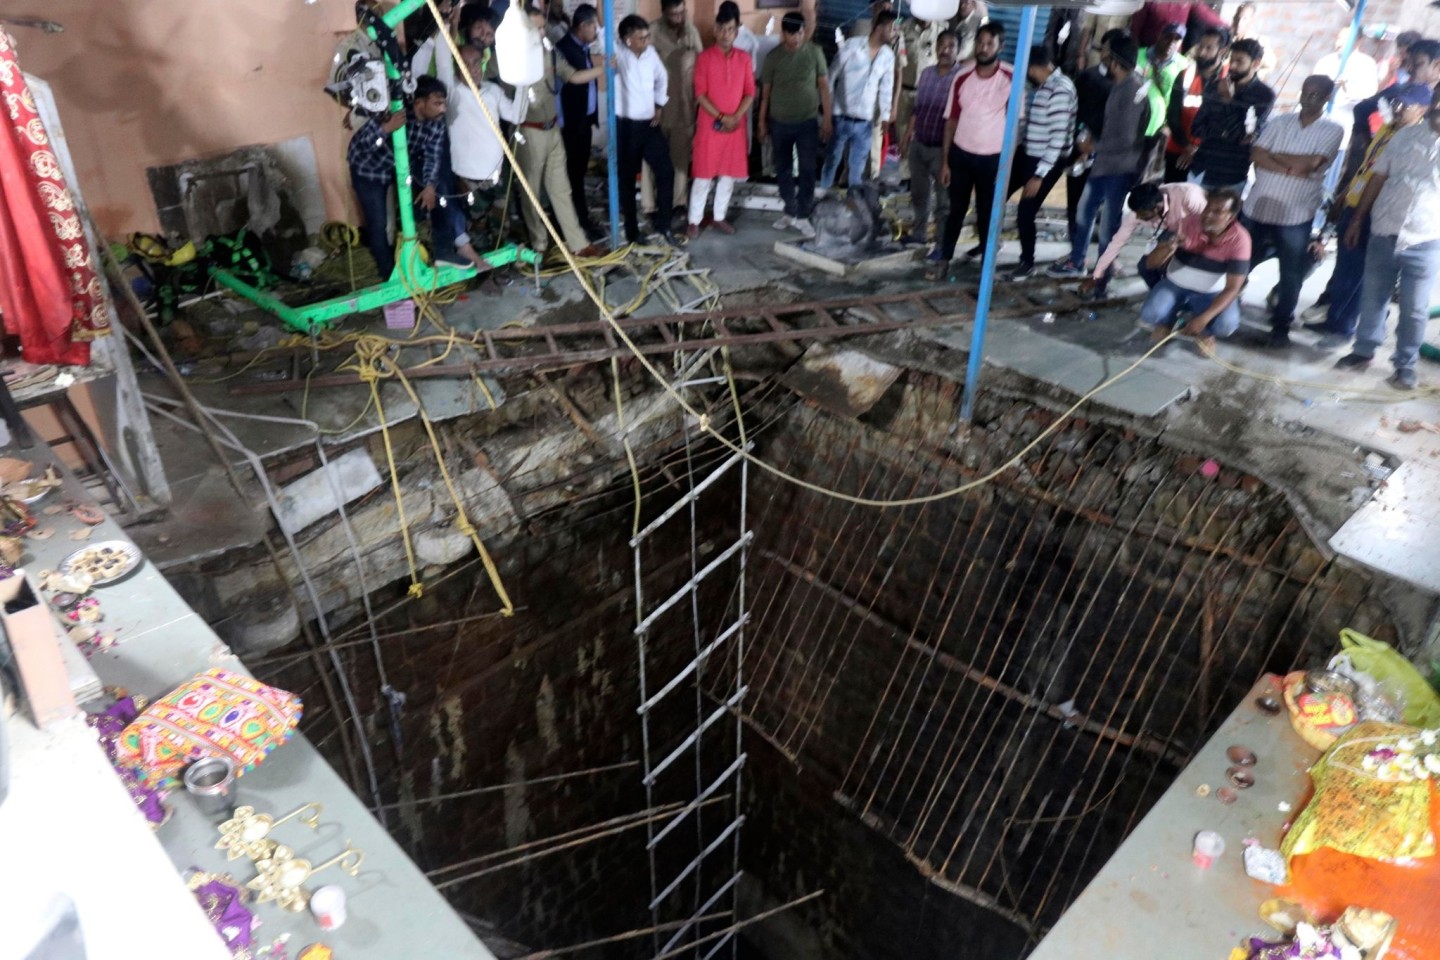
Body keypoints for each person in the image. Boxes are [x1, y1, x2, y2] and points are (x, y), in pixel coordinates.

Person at [1305, 83, 1433, 348]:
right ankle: (1335, 320)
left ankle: (1342, 329)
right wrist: (1346, 194)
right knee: (1344, 270)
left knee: (1358, 276)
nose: (1397, 110)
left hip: (1376, 212)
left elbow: (1385, 181)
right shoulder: (1389, 129)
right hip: (1356, 203)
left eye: (1404, 106)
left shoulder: (1414, 140)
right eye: (1395, 103)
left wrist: (1361, 214)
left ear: (1422, 110)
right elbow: (1367, 168)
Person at [1334, 93, 1440, 391]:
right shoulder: (1405, 136)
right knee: (1373, 295)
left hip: (1426, 238)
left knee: (1416, 308)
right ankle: (1363, 351)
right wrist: (1357, 219)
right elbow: (1377, 178)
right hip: (1385, 228)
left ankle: (1405, 365)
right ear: (1433, 102)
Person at [346, 76, 490, 278]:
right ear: (419, 103)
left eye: (443, 103)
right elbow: (360, 145)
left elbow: (433, 156)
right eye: (437, 104)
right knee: (379, 225)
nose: (442, 110)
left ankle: (444, 252)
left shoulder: (436, 124)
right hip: (370, 170)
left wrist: (430, 186)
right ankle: (390, 277)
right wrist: (386, 128)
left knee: (440, 192)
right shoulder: (392, 111)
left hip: (400, 168)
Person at [1240, 75, 1344, 348]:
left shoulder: (1333, 129)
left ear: (1326, 98)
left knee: (1291, 272)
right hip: (1257, 206)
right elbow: (1256, 155)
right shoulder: (1279, 121)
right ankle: (1224, 307)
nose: (1307, 98)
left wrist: (1276, 159)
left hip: (1294, 213)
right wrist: (1290, 168)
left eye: (1315, 95)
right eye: (1305, 92)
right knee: (1240, 262)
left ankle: (1281, 324)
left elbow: (1310, 165)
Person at [1047, 34, 1150, 280]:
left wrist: (1093, 146)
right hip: (1103, 165)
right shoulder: (1119, 84)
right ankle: (1077, 260)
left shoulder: (1133, 90)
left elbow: (1126, 138)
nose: (1101, 54)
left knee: (1107, 226)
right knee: (1084, 212)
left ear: (1114, 59)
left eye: (1105, 51)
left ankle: (1102, 274)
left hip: (1119, 168)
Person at [514, 5, 604, 257]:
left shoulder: (550, 53)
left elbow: (573, 76)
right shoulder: (511, 58)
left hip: (552, 130)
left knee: (561, 188)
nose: (542, 31)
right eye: (536, 27)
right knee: (531, 192)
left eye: (543, 26)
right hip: (529, 133)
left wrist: (603, 68)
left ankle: (578, 244)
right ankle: (539, 244)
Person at [926, 21, 1010, 280]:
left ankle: (987, 267)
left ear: (1000, 47)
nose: (984, 48)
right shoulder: (961, 76)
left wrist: (1007, 164)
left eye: (989, 44)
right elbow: (950, 119)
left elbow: (1015, 124)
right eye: (980, 43)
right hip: (961, 155)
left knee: (987, 213)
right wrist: (945, 161)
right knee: (955, 211)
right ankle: (944, 260)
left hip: (992, 159)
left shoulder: (1010, 78)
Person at [1140, 189, 1251, 350]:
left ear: (1230, 217)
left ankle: (1205, 332)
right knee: (1150, 314)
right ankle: (1166, 322)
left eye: (1217, 212)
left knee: (1226, 325)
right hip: (1174, 286)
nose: (1208, 215)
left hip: (1211, 294)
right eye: (1207, 208)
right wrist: (1167, 249)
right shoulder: (1185, 223)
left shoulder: (1240, 240)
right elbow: (1150, 264)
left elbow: (1233, 288)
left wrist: (1204, 320)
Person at [1005, 46, 1076, 280]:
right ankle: (989, 244)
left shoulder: (1060, 90)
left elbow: (1057, 139)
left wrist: (1039, 175)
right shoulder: (1047, 86)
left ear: (1037, 68)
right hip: (1029, 154)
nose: (1028, 75)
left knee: (1026, 210)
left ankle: (1027, 262)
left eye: (1029, 70)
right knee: (998, 194)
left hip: (1044, 162)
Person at [758, 11, 831, 240]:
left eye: (799, 33)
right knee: (783, 169)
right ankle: (790, 210)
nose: (796, 39)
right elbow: (765, 94)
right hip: (779, 123)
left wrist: (827, 118)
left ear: (804, 31)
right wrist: (761, 122)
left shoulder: (815, 53)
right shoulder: (773, 57)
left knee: (808, 170)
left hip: (807, 122)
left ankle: (803, 214)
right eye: (791, 34)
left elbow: (824, 88)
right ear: (784, 34)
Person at [687, 4, 755, 237]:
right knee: (703, 175)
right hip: (710, 126)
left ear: (737, 32)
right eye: (722, 29)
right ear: (715, 31)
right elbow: (700, 94)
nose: (726, 34)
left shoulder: (744, 59)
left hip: (735, 126)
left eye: (731, 29)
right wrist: (721, 117)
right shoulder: (704, 58)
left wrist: (735, 117)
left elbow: (750, 92)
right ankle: (694, 220)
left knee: (727, 176)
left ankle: (719, 217)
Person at [613, 14, 679, 245]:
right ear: (627, 40)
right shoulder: (617, 55)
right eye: (642, 38)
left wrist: (659, 105)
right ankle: (632, 232)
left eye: (648, 36)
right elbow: (603, 32)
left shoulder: (650, 55)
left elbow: (662, 78)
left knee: (666, 171)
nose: (647, 41)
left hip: (649, 126)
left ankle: (664, 225)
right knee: (627, 181)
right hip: (626, 128)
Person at [1182, 38, 1275, 191]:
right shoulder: (1214, 86)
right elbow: (1197, 128)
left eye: (1239, 61)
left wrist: (1227, 101)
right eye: (1231, 59)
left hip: (1232, 176)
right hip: (1201, 168)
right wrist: (1226, 132)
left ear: (1255, 64)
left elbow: (1245, 136)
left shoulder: (1264, 95)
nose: (1232, 66)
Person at [1084, 181, 1208, 292]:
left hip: (1198, 230)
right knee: (1145, 267)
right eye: (1136, 213)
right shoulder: (1137, 213)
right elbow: (1116, 244)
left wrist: (1180, 250)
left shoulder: (1188, 196)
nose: (1138, 217)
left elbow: (1207, 226)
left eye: (1142, 214)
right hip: (1174, 229)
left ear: (1157, 208)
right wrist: (1096, 275)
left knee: (1173, 266)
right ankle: (1161, 295)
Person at [1346, 39, 1440, 183]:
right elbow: (1361, 109)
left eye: (1417, 64)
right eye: (1409, 63)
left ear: (1437, 66)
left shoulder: (1429, 98)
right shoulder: (1404, 91)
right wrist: (1367, 143)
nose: (1410, 69)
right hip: (1384, 166)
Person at [821, 11, 897, 190]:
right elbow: (831, 77)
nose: (895, 33)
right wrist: (827, 112)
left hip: (865, 122)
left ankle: (853, 204)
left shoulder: (888, 56)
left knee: (857, 168)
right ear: (879, 28)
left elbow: (886, 88)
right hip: (840, 117)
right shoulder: (851, 46)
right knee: (832, 161)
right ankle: (821, 197)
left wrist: (885, 115)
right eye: (892, 29)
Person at [644, 0, 703, 225]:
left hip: (685, 108)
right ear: (664, 13)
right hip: (655, 110)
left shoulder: (691, 32)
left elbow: (701, 68)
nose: (679, 18)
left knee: (680, 159)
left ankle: (679, 203)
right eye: (674, 14)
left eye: (682, 13)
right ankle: (650, 205)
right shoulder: (651, 32)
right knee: (651, 159)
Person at [899, 30, 961, 245]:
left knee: (943, 200)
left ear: (958, 50)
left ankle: (942, 244)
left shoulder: (960, 79)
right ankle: (919, 234)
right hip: (920, 143)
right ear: (935, 48)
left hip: (943, 150)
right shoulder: (925, 73)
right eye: (941, 45)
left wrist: (949, 157)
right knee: (919, 194)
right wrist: (908, 134)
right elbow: (918, 108)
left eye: (951, 46)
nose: (945, 50)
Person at [555, 5, 608, 240]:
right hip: (571, 126)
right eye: (594, 26)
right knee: (572, 176)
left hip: (583, 123)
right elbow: (566, 88)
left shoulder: (582, 48)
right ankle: (575, 225)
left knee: (577, 175)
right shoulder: (565, 49)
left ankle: (579, 221)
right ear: (583, 26)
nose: (597, 31)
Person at [1068, 28, 1122, 244]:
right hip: (1082, 147)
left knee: (1104, 202)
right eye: (1107, 49)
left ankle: (1099, 246)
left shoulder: (1128, 84)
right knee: (1076, 199)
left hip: (1109, 154)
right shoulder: (1087, 77)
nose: (1108, 55)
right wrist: (1082, 142)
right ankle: (1075, 245)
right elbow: (1076, 111)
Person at [1164, 26, 1226, 184]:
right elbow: (1172, 115)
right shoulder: (1185, 75)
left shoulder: (1228, 81)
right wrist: (1188, 147)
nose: (1202, 52)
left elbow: (1224, 123)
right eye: (1201, 46)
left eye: (1209, 48)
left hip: (1209, 157)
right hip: (1178, 151)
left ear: (1222, 52)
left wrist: (1198, 150)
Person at [1314, 28, 1379, 115]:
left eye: (1345, 39)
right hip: (1321, 113)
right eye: (1339, 38)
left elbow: (1369, 92)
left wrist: (1345, 89)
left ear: (1358, 41)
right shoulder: (1326, 61)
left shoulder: (1367, 63)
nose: (1339, 43)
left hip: (1347, 115)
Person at [1129, 1, 1224, 49]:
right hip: (1148, 52)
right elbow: (1135, 29)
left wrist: (1226, 25)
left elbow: (1204, 13)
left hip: (1173, 57)